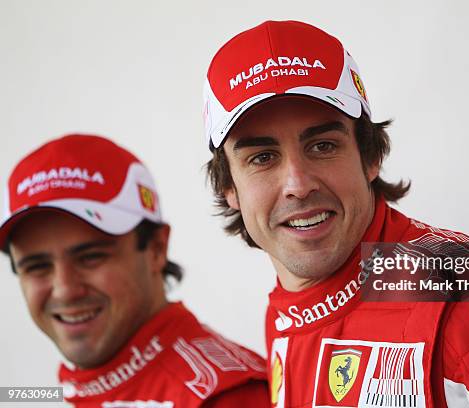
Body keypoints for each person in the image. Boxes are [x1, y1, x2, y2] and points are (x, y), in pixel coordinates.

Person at [203, 20, 469, 407]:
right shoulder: (288, 305)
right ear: (229, 188)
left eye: (323, 146)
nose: (297, 183)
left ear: (371, 156)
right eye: (262, 157)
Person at [0, 134, 269, 407]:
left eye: (90, 257)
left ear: (156, 249)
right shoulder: (68, 390)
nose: (65, 290)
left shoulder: (228, 398)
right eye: (37, 266)